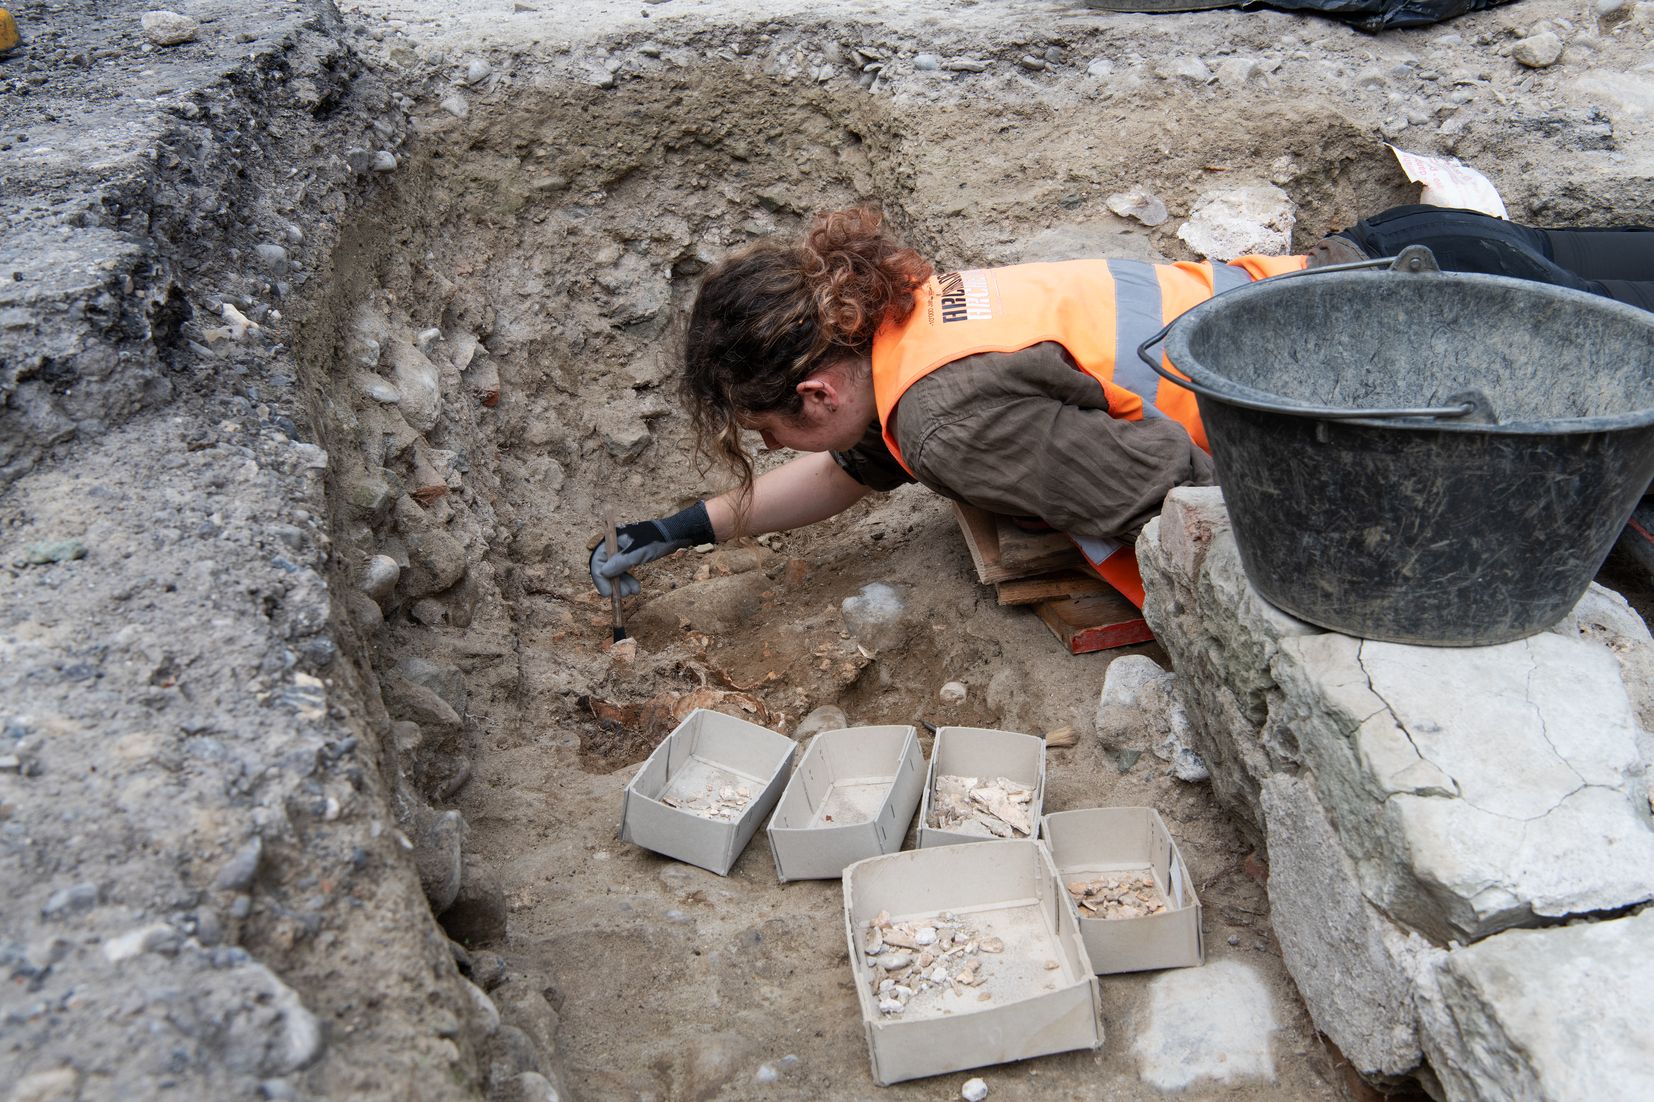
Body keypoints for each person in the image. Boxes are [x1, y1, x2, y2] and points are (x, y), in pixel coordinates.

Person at [590, 206, 1654, 606]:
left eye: (765, 430)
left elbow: (1188, 506)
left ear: (816, 390)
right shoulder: (917, 317)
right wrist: (686, 528)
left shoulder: (942, 418)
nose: (776, 446)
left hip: (1457, 352)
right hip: (1410, 252)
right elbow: (847, 470)